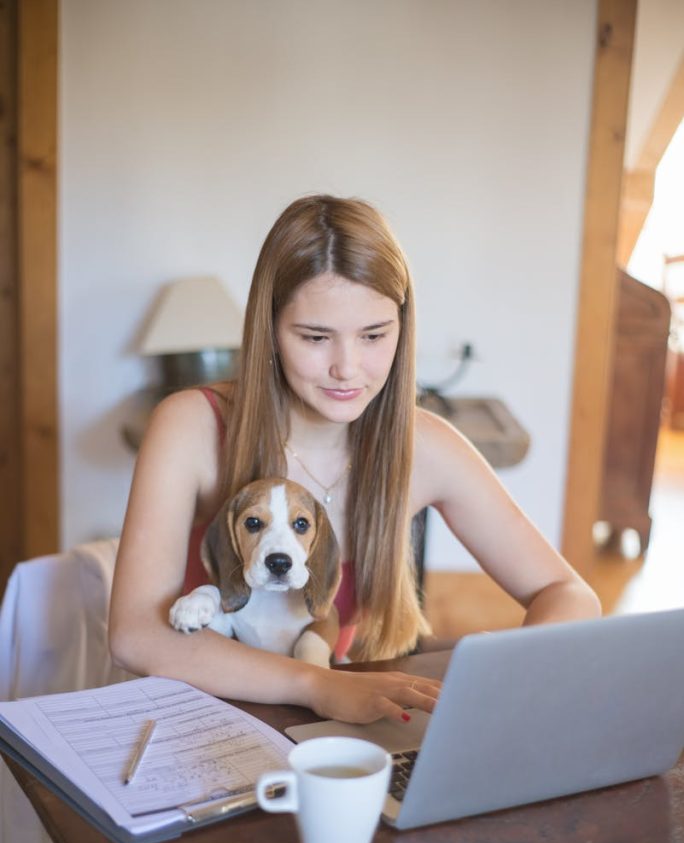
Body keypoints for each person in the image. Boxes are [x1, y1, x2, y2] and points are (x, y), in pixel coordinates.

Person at [109, 194, 600, 725]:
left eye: (373, 336)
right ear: (269, 330)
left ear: (401, 329)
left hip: (320, 732)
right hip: (190, 721)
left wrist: (513, 672)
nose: (347, 368)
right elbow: (135, 634)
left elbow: (569, 592)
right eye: (316, 337)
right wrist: (316, 684)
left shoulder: (426, 446)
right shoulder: (190, 426)